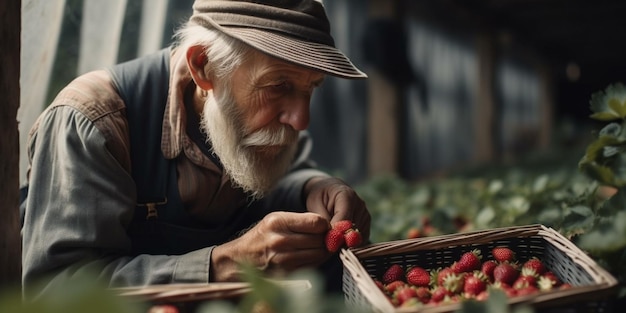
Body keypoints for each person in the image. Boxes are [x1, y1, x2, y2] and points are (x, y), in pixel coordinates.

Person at [20, 0, 371, 300]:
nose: (301, 119)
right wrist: (225, 263)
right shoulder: (93, 122)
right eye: (278, 85)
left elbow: (290, 170)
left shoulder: (263, 122)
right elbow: (55, 291)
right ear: (204, 67)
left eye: (310, 87)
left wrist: (311, 187)